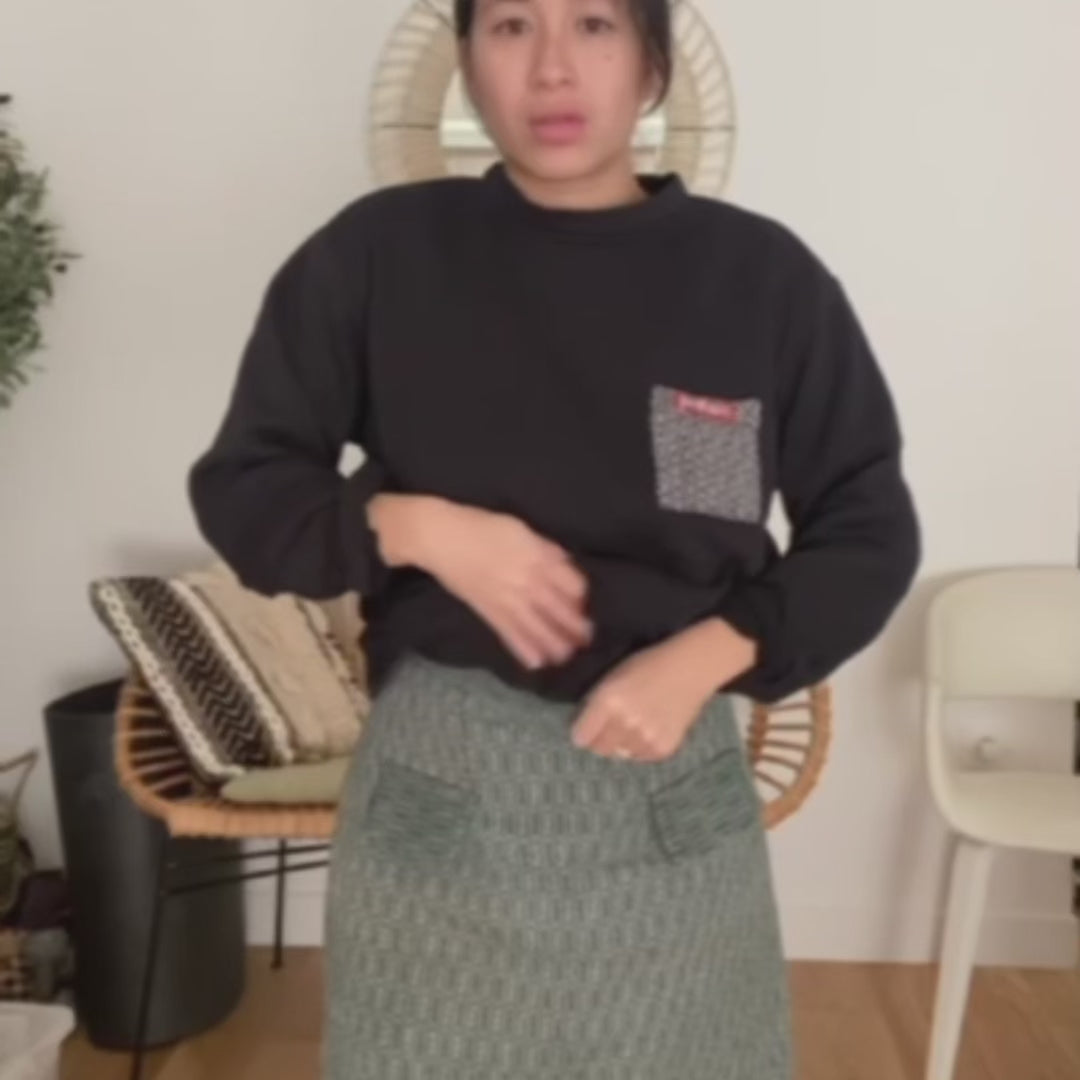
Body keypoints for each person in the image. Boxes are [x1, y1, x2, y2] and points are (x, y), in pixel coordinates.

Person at [187, 0, 920, 1075]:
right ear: (468, 61)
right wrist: (417, 527)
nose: (552, 69)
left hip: (671, 799)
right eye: (512, 27)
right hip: (438, 801)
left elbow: (868, 529)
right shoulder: (379, 253)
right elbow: (247, 491)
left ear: (653, 66)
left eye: (594, 25)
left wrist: (709, 652)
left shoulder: (760, 279)